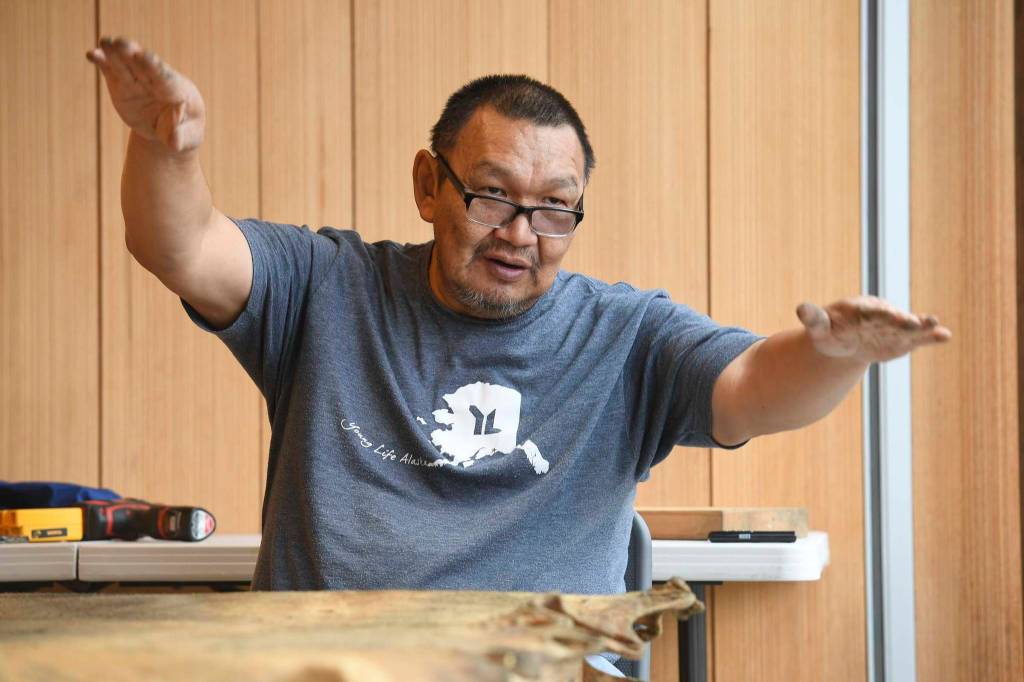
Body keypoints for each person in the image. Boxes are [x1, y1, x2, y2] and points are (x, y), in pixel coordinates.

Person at [85, 38, 951, 597]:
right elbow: (185, 247)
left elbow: (755, 386)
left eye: (555, 209)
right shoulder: (326, 286)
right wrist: (168, 147)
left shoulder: (624, 335)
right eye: (493, 195)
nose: (521, 235)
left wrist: (836, 356)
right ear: (430, 185)